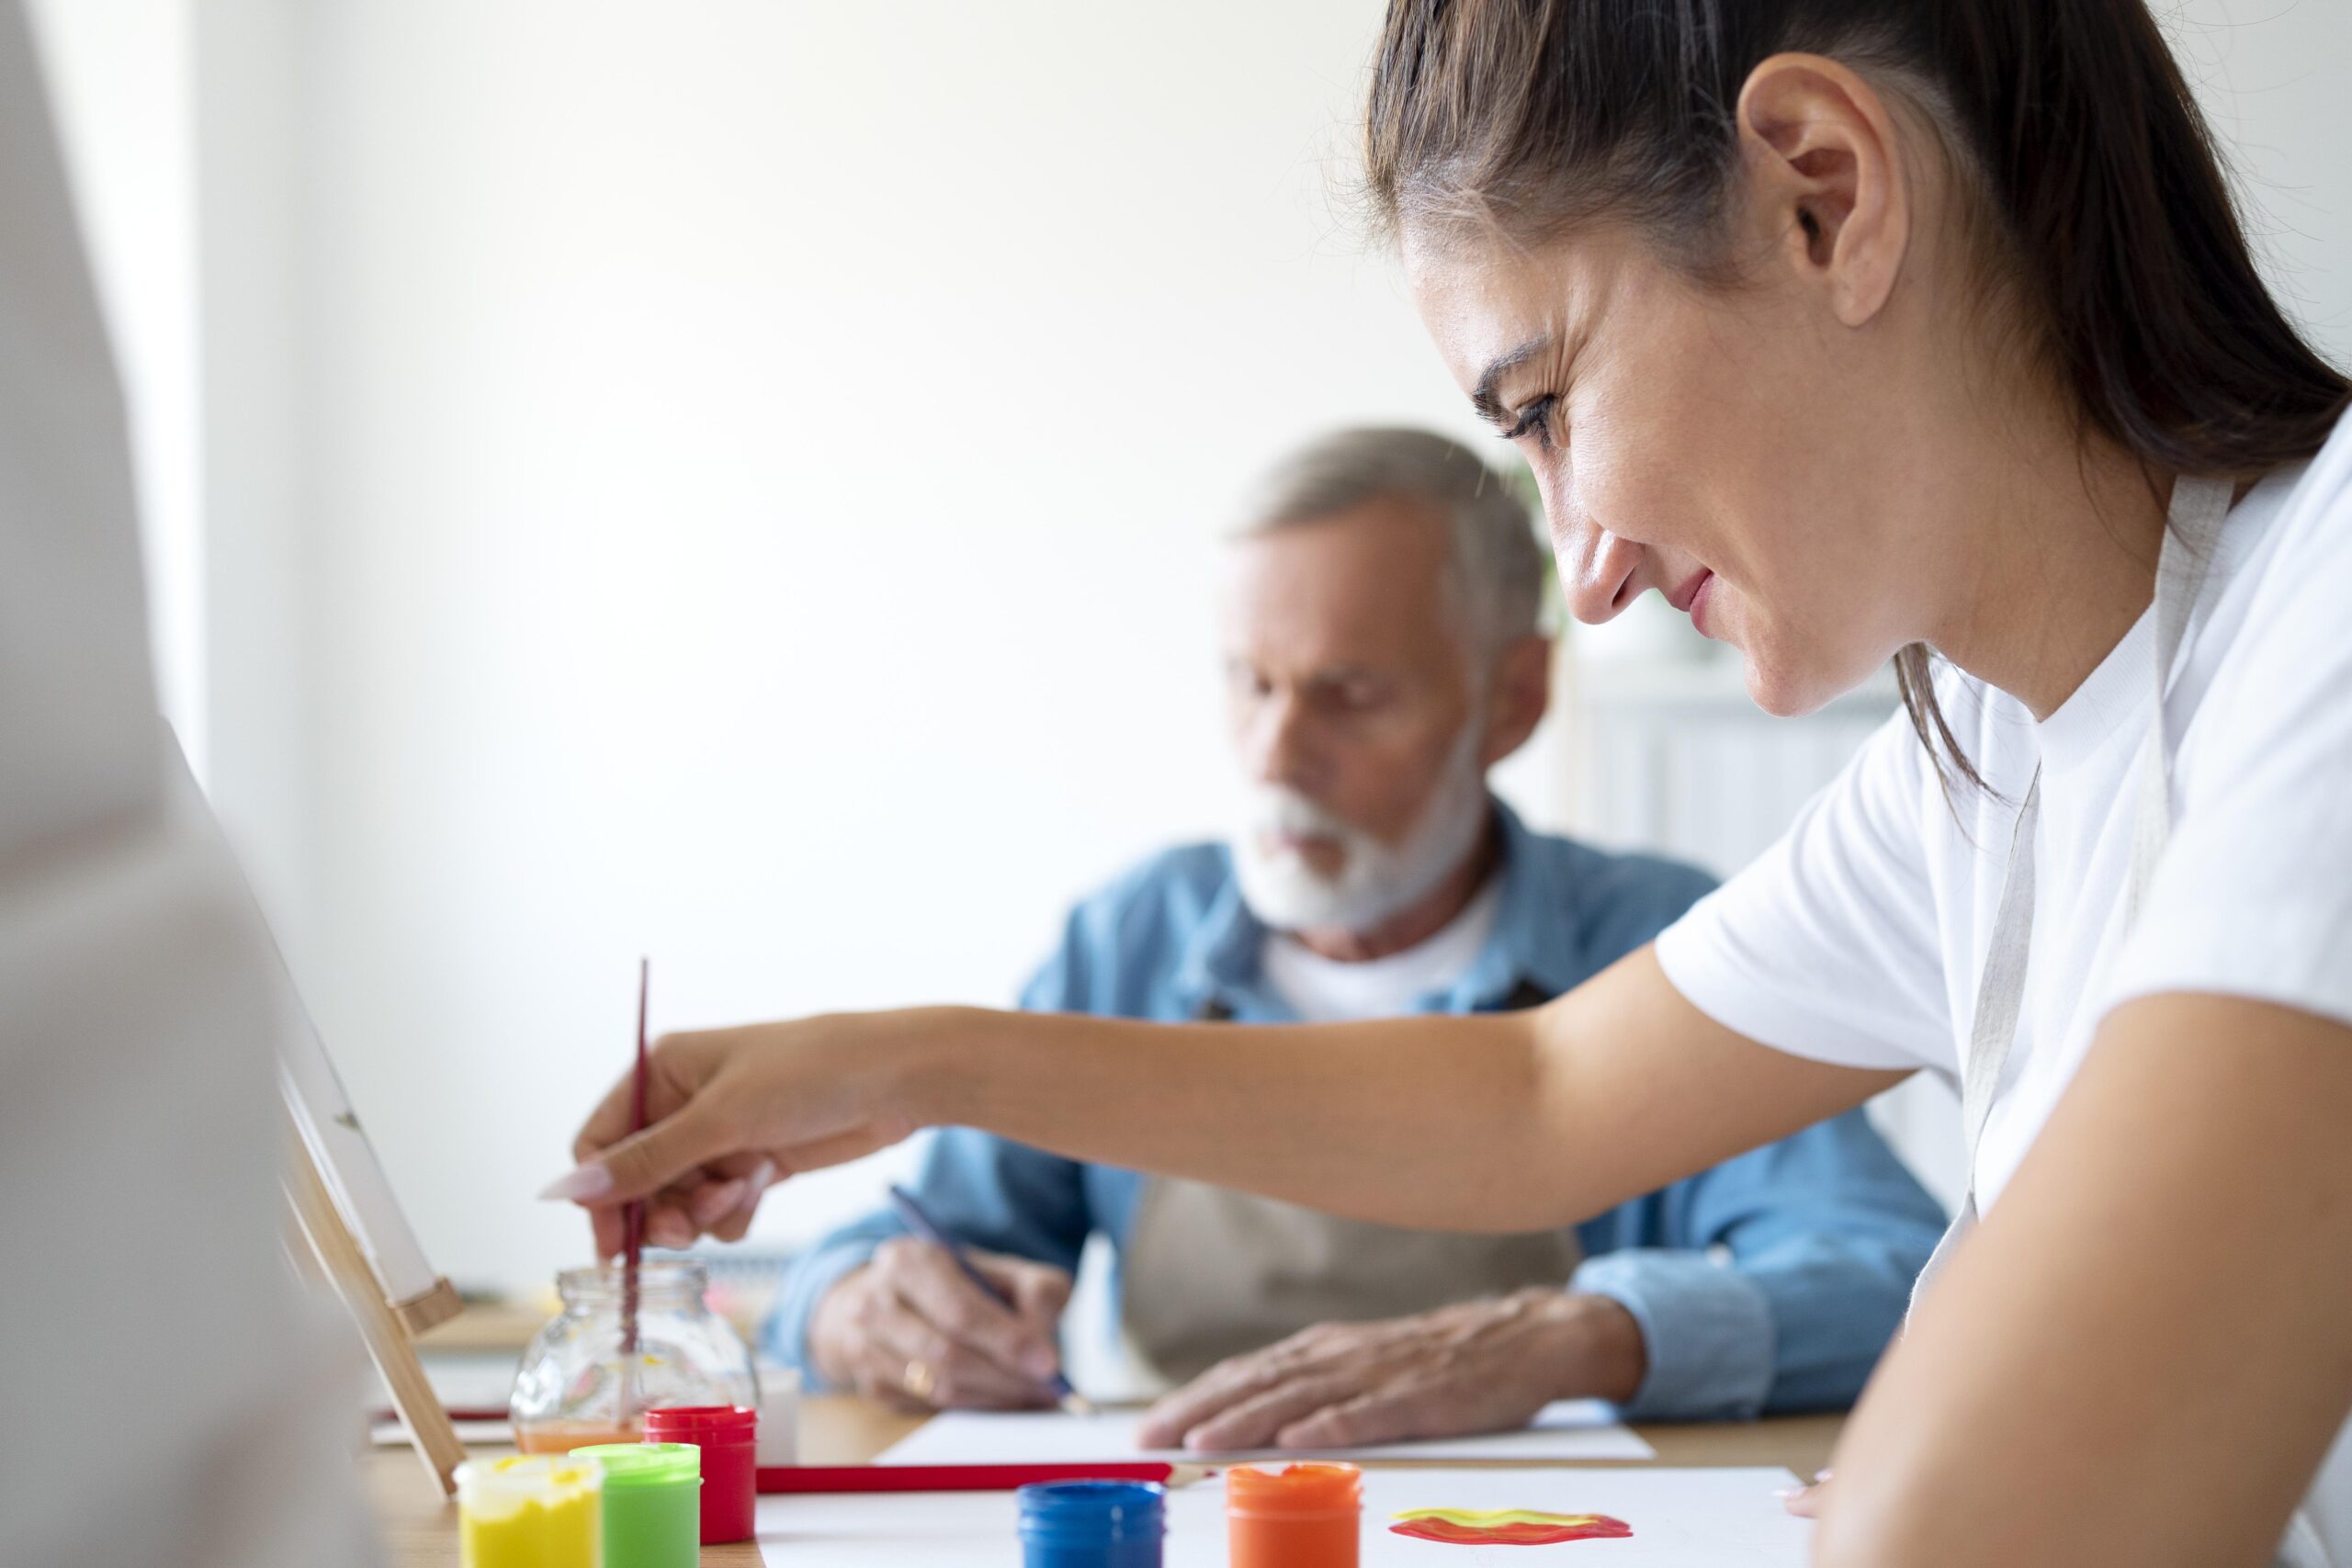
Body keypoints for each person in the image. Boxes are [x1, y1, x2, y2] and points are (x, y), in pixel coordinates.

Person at [550, 3, 2352, 1563]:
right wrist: (902, 1059)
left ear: (1822, 192)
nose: (1585, 566)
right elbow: (1545, 1086)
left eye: (1549, 403)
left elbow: (1980, 1521)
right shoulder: (1978, 756)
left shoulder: (2318, 611)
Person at [759, 428, 1944, 1446]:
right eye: (1250, 684)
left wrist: (1586, 1336)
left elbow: (1895, 1276)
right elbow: (901, 1242)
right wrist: (854, 1302)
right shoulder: (1129, 941)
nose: (1277, 755)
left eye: (1351, 694)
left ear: (1514, 699)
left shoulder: (1653, 941)